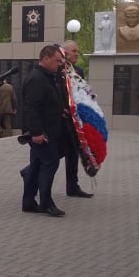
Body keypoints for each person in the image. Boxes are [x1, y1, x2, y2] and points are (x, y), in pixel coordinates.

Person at [20, 45, 67, 217]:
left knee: (37, 165)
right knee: (51, 163)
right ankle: (46, 203)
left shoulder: (46, 76)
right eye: (57, 61)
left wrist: (59, 109)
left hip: (48, 129)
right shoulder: (37, 78)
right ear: (45, 58)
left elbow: (47, 101)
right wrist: (37, 133)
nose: (59, 64)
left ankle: (28, 201)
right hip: (41, 133)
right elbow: (31, 108)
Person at [58, 41, 93, 199]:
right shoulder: (57, 70)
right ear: (64, 53)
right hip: (61, 118)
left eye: (78, 51)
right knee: (54, 154)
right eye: (74, 51)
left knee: (73, 153)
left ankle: (73, 186)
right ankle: (29, 172)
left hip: (74, 120)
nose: (77, 54)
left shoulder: (78, 71)